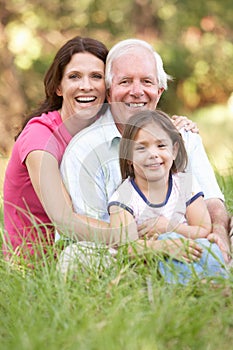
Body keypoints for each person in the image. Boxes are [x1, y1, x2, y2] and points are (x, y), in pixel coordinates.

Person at [60, 38, 230, 263]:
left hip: (193, 247)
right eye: (126, 82)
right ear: (110, 93)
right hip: (123, 252)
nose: (137, 91)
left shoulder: (185, 137)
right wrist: (157, 246)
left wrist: (218, 235)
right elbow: (92, 229)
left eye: (147, 82)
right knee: (78, 257)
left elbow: (212, 201)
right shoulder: (84, 149)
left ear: (159, 91)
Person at [3, 36, 114, 262]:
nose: (86, 85)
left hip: (89, 249)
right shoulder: (39, 137)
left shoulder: (102, 132)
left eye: (96, 76)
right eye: (74, 77)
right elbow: (65, 221)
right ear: (58, 87)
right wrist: (136, 236)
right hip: (40, 267)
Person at [108, 110, 227, 284]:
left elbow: (202, 230)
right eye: (141, 148)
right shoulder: (124, 195)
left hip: (188, 247)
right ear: (128, 157)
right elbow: (126, 247)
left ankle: (219, 281)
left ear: (174, 150)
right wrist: (165, 245)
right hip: (149, 256)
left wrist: (170, 227)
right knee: (166, 244)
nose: (153, 154)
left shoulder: (185, 183)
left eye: (161, 146)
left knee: (211, 246)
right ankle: (195, 286)